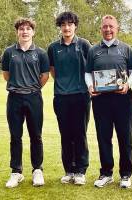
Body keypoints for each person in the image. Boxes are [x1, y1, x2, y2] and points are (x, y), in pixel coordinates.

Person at [85, 15, 132, 188]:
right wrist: (90, 85)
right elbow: (87, 73)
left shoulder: (126, 48)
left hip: (122, 99)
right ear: (101, 29)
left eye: (111, 27)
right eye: (105, 26)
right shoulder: (93, 50)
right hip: (100, 100)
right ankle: (106, 173)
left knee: (125, 137)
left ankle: (125, 175)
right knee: (103, 137)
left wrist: (128, 85)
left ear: (117, 28)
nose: (108, 29)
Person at [1, 18, 49, 188]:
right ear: (17, 32)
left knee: (36, 135)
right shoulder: (8, 52)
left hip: (34, 97)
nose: (25, 31)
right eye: (21, 29)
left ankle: (37, 170)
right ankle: (16, 172)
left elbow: (45, 76)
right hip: (14, 97)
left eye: (28, 29)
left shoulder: (41, 53)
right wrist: (19, 86)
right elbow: (6, 74)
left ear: (33, 32)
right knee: (15, 136)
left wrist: (31, 88)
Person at [47, 11, 91, 185]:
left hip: (81, 96)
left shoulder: (85, 44)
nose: (66, 27)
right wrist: (64, 83)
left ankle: (80, 170)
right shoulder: (53, 47)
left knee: (80, 134)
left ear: (75, 26)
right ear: (60, 27)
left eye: (70, 24)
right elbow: (52, 70)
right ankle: (69, 170)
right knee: (65, 134)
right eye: (63, 24)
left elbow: (91, 69)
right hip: (61, 97)